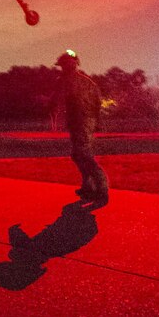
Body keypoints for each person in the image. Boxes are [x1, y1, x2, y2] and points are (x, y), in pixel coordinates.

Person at [52, 50, 109, 203]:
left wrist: (97, 121)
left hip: (82, 123)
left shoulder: (71, 81)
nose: (63, 67)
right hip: (81, 123)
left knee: (84, 156)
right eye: (63, 65)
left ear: (73, 64)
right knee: (78, 155)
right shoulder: (83, 81)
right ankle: (88, 186)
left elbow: (96, 102)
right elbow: (98, 101)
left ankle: (102, 188)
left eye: (65, 64)